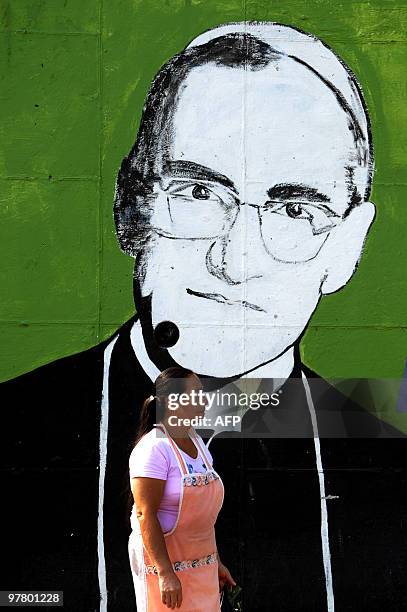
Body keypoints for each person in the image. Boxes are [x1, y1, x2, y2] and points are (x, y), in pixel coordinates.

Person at [1, 20, 406, 612]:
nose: (235, 260)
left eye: (295, 209)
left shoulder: (389, 474)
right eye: (197, 193)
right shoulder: (14, 430)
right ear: (132, 205)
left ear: (347, 249)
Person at [128, 366, 235, 610]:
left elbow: (202, 518)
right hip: (164, 569)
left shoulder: (197, 441)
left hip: (203, 567)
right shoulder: (154, 448)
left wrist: (215, 562)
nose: (204, 400)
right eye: (195, 394)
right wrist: (165, 573)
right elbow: (145, 514)